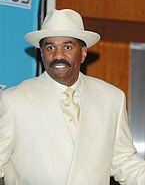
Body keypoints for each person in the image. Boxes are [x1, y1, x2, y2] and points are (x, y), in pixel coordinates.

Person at [0, 9, 145, 185]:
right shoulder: (13, 101)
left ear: (83, 53)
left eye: (67, 47)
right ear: (42, 53)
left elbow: (124, 161)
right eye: (50, 47)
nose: (58, 55)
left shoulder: (112, 98)